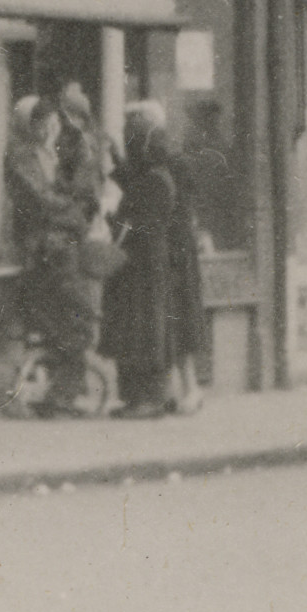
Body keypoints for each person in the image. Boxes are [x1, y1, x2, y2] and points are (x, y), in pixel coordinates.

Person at [108, 102, 205, 417]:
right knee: (165, 323)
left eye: (131, 129)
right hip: (165, 254)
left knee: (162, 323)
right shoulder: (161, 165)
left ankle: (176, 392)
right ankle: (178, 391)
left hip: (166, 255)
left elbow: (148, 202)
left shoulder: (163, 170)